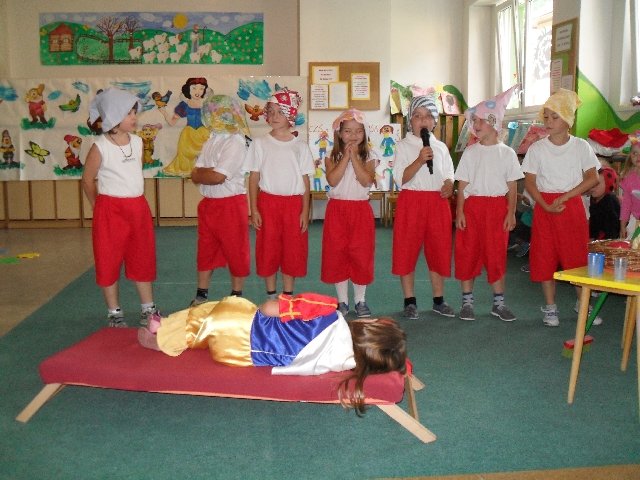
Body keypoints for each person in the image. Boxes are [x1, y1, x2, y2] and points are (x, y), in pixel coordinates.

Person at [137, 293, 407, 414]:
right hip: (241, 355)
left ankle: (163, 336)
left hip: (240, 326)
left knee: (218, 309)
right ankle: (169, 328)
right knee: (211, 321)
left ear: (369, 325)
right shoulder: (343, 362)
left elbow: (268, 308)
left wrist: (279, 303)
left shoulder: (328, 311)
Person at [81, 88, 160, 328]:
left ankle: (148, 308)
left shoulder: (137, 142)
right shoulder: (100, 146)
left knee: (142, 256)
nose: (134, 117)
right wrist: (98, 206)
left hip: (137, 208)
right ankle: (114, 312)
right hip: (110, 209)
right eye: (129, 113)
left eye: (135, 112)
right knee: (108, 258)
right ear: (114, 116)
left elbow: (133, 173)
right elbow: (87, 180)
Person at [522, 88, 600, 327]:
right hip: (545, 206)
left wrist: (566, 196)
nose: (548, 121)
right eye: (546, 116)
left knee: (576, 256)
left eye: (554, 117)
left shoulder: (581, 146)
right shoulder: (537, 149)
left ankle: (582, 303)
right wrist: (544, 204)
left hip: (571, 206)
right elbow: (530, 181)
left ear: (568, 120)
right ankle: (550, 306)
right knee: (544, 255)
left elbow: (593, 178)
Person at [454, 85, 523, 322]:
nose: (475, 124)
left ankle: (499, 303)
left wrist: (511, 213)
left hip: (497, 209)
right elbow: (462, 184)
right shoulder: (470, 152)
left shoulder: (507, 154)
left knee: (496, 255)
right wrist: (460, 211)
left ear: (494, 123)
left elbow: (512, 186)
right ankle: (467, 302)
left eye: (480, 120)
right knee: (468, 252)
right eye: (474, 121)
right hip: (473, 208)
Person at [244, 88, 315, 299]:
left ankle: (288, 295)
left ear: (291, 115)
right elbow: (254, 178)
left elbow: (305, 180)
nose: (274, 116)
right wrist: (254, 209)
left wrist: (305, 211)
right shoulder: (260, 143)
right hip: (268, 203)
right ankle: (271, 295)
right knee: (268, 248)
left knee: (292, 249)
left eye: (280, 112)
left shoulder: (300, 146)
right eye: (271, 112)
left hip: (293, 205)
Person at [391, 94, 455, 320]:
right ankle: (410, 300)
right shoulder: (403, 146)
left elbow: (449, 174)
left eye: (428, 116)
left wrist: (449, 185)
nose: (423, 120)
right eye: (417, 116)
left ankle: (439, 299)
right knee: (406, 250)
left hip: (437, 202)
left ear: (434, 121)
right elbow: (401, 179)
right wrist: (419, 160)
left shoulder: (441, 147)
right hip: (412, 201)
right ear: (410, 121)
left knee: (438, 250)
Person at [189, 94, 252, 306]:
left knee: (235, 249)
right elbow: (194, 173)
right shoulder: (212, 138)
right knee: (205, 249)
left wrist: (203, 173)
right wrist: (204, 173)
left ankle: (236, 295)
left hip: (230, 204)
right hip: (209, 204)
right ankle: (201, 294)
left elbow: (218, 177)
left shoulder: (236, 141)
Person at [321, 109, 376, 318]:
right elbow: (333, 180)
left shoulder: (369, 155)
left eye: (358, 131)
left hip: (360, 210)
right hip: (337, 210)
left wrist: (355, 157)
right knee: (337, 253)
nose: (353, 135)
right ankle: (342, 301)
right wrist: (345, 156)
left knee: (361, 254)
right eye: (348, 131)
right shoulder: (331, 155)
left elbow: (366, 181)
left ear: (365, 133)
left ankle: (360, 300)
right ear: (339, 133)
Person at [160, 77, 211, 177]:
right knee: (185, 156)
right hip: (188, 136)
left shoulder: (207, 105)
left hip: (203, 135)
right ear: (188, 89)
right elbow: (172, 122)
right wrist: (164, 113)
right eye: (194, 88)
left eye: (201, 88)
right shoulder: (184, 105)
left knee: (205, 155)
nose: (198, 91)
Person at [589, 166, 620, 240]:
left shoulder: (609, 201)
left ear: (608, 184)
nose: (593, 187)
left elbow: (613, 227)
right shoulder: (594, 198)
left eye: (597, 184)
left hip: (608, 238)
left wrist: (607, 242)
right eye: (592, 183)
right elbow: (593, 222)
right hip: (599, 237)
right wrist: (592, 237)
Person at [619, 137, 640, 239]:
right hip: (634, 220)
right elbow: (626, 204)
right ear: (630, 155)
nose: (638, 157)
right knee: (632, 244)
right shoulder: (628, 177)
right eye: (634, 153)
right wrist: (623, 225)